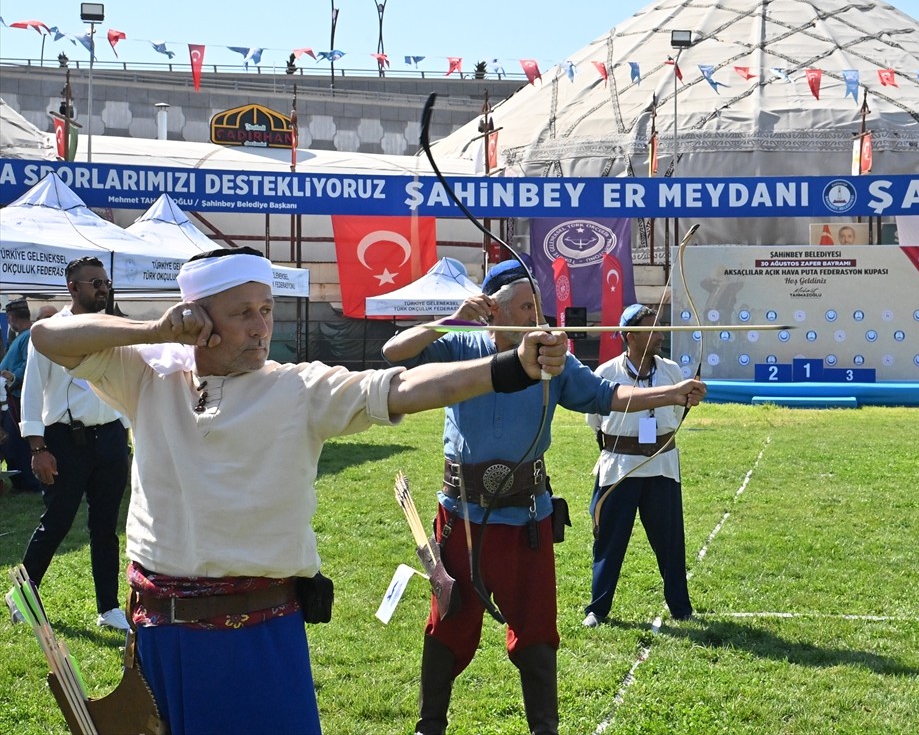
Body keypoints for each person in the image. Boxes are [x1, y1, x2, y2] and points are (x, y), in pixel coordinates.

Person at [27, 247, 567, 735]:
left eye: (266, 309)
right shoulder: (148, 376)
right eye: (243, 313)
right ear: (195, 318)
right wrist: (156, 332)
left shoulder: (297, 387)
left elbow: (402, 387)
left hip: (258, 637)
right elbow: (47, 336)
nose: (262, 327)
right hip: (161, 637)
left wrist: (510, 367)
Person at [382, 259, 706, 735]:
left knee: (536, 630)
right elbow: (394, 352)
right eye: (524, 306)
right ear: (492, 310)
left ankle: (544, 728)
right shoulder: (459, 344)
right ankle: (430, 724)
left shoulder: (553, 357)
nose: (537, 317)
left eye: (538, 305)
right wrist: (450, 318)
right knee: (448, 622)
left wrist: (671, 393)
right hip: (460, 519)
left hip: (526, 520)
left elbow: (607, 396)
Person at [7, 260, 132, 634]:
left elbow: (123, 382)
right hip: (65, 440)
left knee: (105, 526)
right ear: (73, 288)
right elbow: (31, 392)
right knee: (57, 522)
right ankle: (23, 596)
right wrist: (37, 448)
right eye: (95, 283)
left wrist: (125, 433)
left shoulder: (113, 327)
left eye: (106, 282)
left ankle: (109, 607)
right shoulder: (49, 332)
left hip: (109, 437)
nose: (103, 289)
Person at [583, 304, 693, 628]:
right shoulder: (606, 373)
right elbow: (596, 421)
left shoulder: (671, 370)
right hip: (620, 468)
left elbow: (676, 415)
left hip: (661, 467)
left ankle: (681, 608)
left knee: (670, 541)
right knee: (609, 541)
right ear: (631, 336)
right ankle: (598, 609)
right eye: (653, 329)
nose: (661, 334)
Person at [0, 297, 39, 492]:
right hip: (11, 397)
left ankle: (28, 482)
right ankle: (21, 481)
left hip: (18, 397)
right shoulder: (22, 336)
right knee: (11, 442)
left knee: (17, 443)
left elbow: (30, 363)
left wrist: (13, 376)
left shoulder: (29, 335)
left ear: (11, 317)